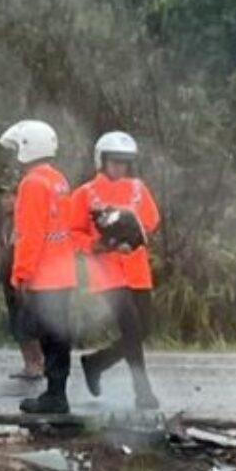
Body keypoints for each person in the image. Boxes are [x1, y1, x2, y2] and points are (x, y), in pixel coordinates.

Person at [70, 131, 161, 410]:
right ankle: (142, 391)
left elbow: (151, 220)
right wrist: (96, 245)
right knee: (131, 327)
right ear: (102, 160)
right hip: (107, 274)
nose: (119, 167)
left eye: (124, 162)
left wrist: (131, 233)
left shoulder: (137, 188)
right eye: (114, 161)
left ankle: (96, 362)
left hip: (137, 269)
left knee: (143, 329)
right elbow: (72, 233)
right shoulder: (85, 194)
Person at [0, 120, 76, 415]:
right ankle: (56, 392)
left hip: (44, 276)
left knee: (48, 336)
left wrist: (21, 274)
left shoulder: (31, 184)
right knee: (58, 336)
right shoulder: (58, 180)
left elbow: (29, 234)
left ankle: (55, 397)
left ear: (28, 148)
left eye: (17, 148)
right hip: (63, 272)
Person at [0, 182, 44, 380]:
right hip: (7, 277)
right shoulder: (5, 223)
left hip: (21, 277)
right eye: (3, 197)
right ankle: (28, 363)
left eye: (10, 197)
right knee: (15, 323)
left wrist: (26, 277)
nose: (5, 201)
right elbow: (1, 253)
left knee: (27, 322)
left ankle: (38, 362)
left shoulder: (24, 220)